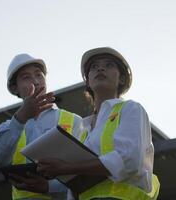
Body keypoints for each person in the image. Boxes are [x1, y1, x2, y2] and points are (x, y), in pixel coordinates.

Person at [37, 47, 160, 200]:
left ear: (121, 79)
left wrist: (67, 168)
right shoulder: (83, 130)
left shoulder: (130, 109)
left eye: (109, 65)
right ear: (88, 81)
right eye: (94, 67)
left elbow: (128, 160)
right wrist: (47, 185)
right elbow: (77, 182)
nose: (100, 68)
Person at [0, 53, 83, 200]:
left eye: (39, 75)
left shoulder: (75, 121)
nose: (36, 81)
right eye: (26, 77)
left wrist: (49, 186)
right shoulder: (7, 127)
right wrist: (21, 118)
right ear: (15, 88)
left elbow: (85, 171)